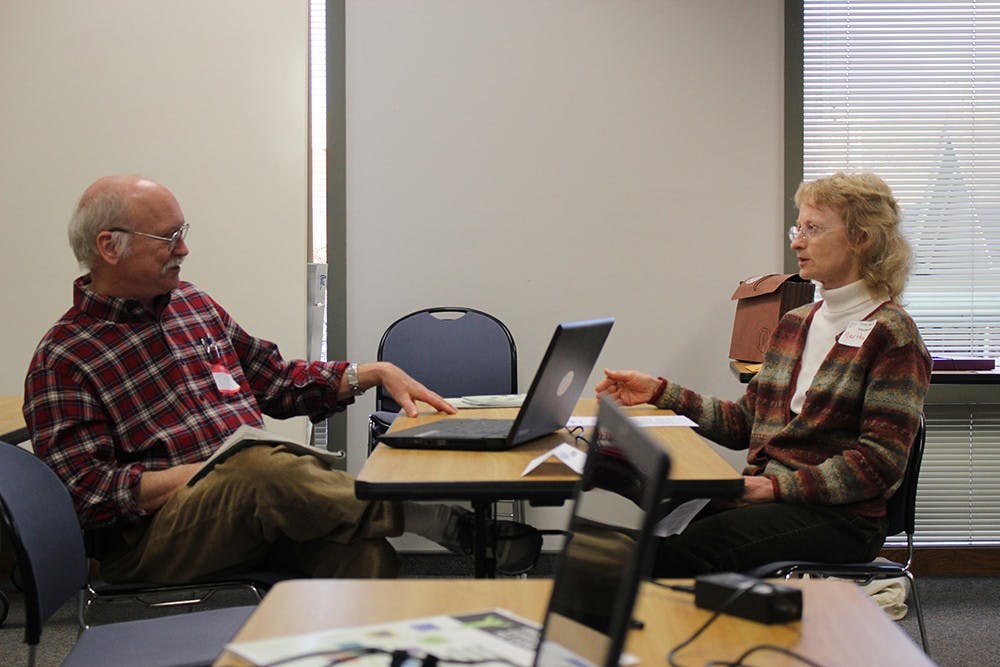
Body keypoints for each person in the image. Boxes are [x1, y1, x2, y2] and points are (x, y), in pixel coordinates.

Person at [23, 174, 540, 583]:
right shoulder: (64, 358)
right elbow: (84, 495)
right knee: (257, 467)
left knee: (364, 555)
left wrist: (370, 373)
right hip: (151, 542)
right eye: (169, 237)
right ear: (110, 247)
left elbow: (274, 379)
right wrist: (211, 472)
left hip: (252, 507)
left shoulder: (193, 306)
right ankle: (435, 520)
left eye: (184, 234)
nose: (183, 249)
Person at [596, 172, 932, 576]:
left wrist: (773, 488)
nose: (796, 242)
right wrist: (659, 392)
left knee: (674, 556)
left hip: (843, 518)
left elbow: (878, 464)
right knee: (640, 540)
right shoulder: (795, 323)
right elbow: (744, 424)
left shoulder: (893, 335)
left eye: (813, 228)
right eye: (798, 227)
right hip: (773, 498)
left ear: (863, 238)